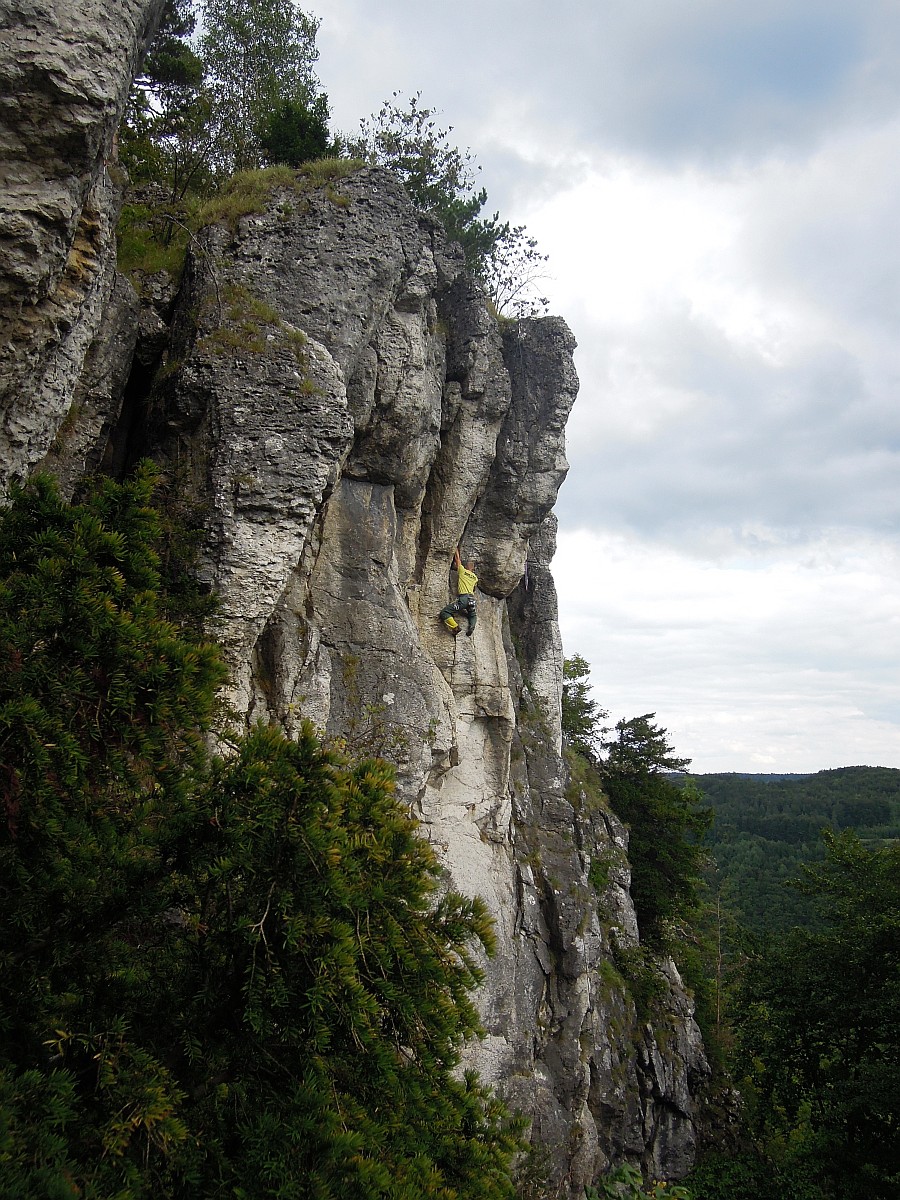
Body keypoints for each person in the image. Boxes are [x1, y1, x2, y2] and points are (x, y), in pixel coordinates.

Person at [439, 546, 477, 636]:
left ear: (466, 567)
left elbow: (457, 559)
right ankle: (472, 626)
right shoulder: (475, 578)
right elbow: (474, 589)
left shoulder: (462, 571)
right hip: (471, 599)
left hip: (463, 599)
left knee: (445, 612)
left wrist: (456, 549)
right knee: (472, 614)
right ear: (473, 569)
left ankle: (455, 627)